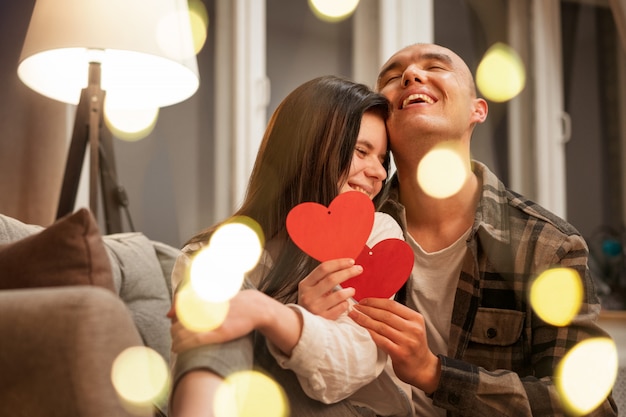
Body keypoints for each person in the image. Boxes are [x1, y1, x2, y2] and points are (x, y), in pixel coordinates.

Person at [341, 43, 619, 416]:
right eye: (393, 77)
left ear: (478, 110)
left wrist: (436, 373)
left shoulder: (549, 247)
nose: (410, 76)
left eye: (435, 67)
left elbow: (592, 405)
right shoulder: (345, 229)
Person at [168, 75, 412, 417]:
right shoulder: (209, 254)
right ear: (307, 148)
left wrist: (269, 313)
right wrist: (298, 318)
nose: (378, 174)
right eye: (361, 152)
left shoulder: (377, 234)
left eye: (382, 160)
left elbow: (353, 364)